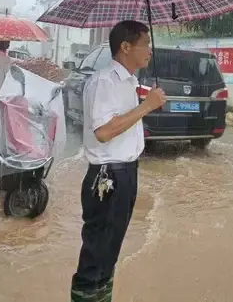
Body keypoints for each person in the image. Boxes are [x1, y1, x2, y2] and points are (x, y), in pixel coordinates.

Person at [70, 20, 167, 301]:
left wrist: (147, 105)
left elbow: (125, 124)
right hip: (107, 177)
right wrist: (146, 106)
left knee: (109, 253)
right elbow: (103, 132)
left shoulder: (130, 82)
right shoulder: (104, 81)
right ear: (125, 47)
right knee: (96, 254)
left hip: (125, 173)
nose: (149, 50)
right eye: (145, 44)